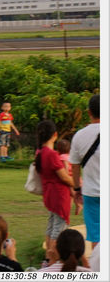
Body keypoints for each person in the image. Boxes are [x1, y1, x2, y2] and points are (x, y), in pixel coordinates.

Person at [36, 119, 76, 266]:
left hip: (49, 195)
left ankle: (47, 259)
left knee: (51, 227)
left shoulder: (39, 152)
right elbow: (64, 177)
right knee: (58, 230)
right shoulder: (52, 154)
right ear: (55, 134)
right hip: (59, 196)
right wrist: (77, 184)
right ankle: (53, 262)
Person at [69, 94, 100, 249]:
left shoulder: (79, 136)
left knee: (96, 236)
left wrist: (76, 189)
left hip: (90, 193)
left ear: (89, 112)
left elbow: (74, 166)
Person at [55, 138, 82, 215]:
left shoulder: (63, 156)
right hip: (75, 176)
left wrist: (65, 174)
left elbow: (66, 166)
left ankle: (78, 204)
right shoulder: (69, 155)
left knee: (72, 193)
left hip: (70, 177)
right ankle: (71, 208)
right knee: (70, 195)